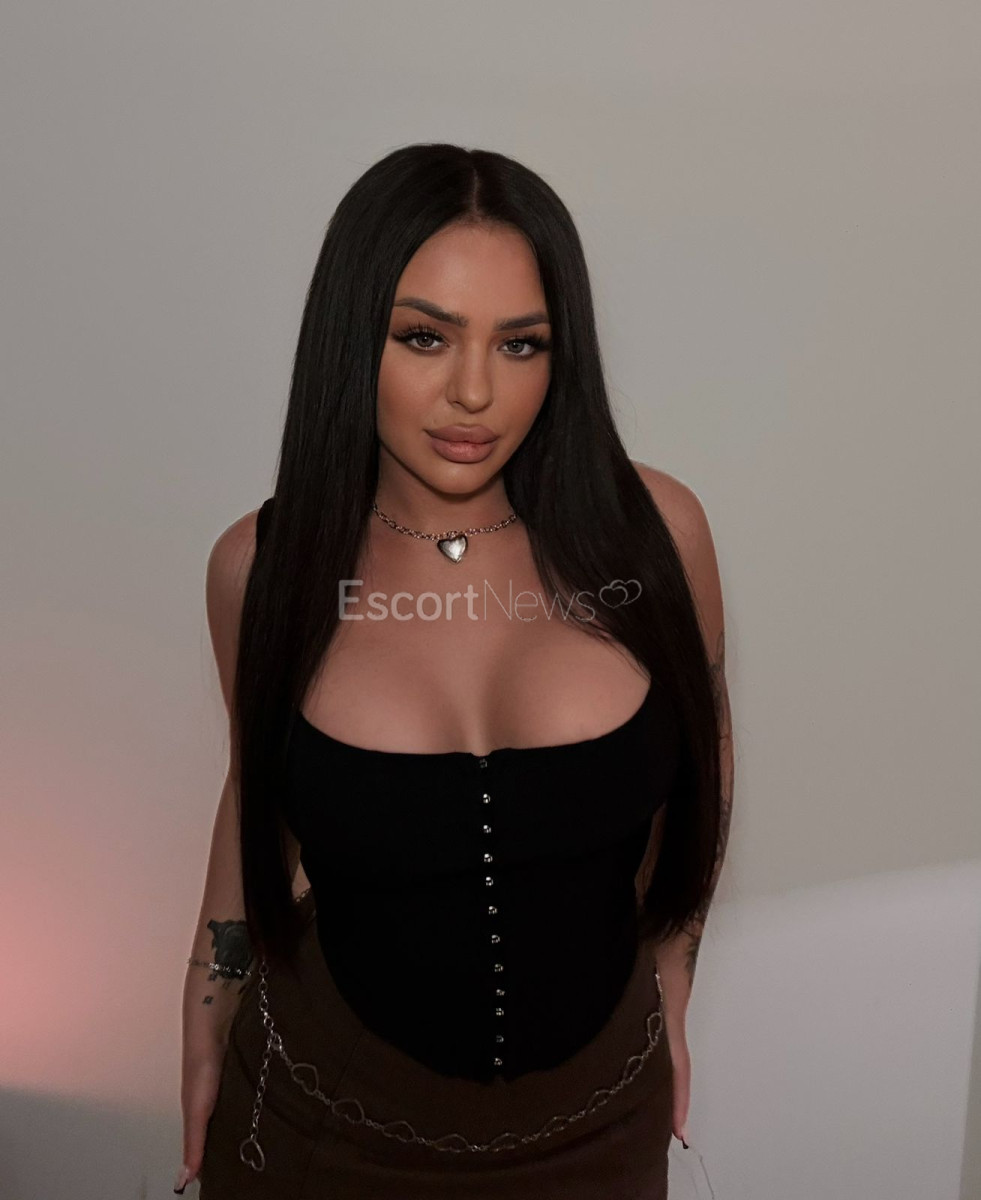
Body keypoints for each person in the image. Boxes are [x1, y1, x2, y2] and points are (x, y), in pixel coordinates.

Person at [177, 143, 733, 1199]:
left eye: (521, 344)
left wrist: (674, 966)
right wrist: (205, 1002)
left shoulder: (658, 537)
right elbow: (256, 791)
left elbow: (706, 756)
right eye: (424, 336)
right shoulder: (262, 570)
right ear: (353, 336)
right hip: (314, 1127)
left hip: (598, 1128)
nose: (474, 392)